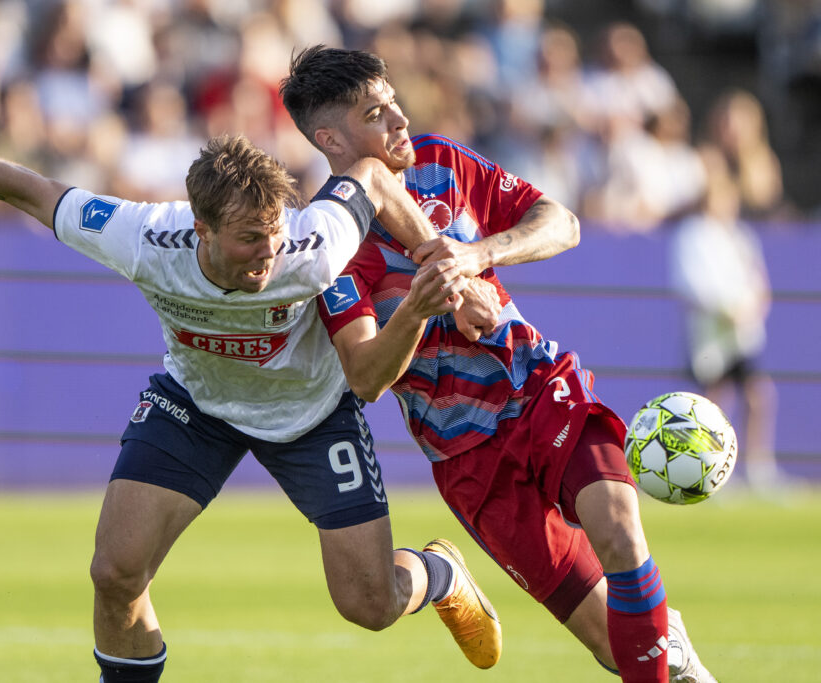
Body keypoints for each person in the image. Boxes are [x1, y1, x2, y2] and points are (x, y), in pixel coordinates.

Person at [0, 93, 502, 681]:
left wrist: (443, 265)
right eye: (247, 241)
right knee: (114, 573)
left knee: (371, 605)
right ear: (200, 227)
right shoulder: (147, 235)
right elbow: (29, 190)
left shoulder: (311, 241)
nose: (267, 254)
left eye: (271, 234)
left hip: (312, 413)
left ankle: (438, 573)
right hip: (197, 405)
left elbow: (372, 177)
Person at [280, 45, 717, 682]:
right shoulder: (330, 247)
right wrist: (424, 306)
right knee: (611, 643)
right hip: (469, 458)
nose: (400, 120)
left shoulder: (439, 162)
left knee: (621, 534)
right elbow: (367, 377)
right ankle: (661, 648)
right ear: (332, 139)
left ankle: (656, 645)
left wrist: (479, 254)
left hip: (539, 387)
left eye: (394, 101)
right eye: (377, 114)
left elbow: (560, 222)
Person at [670, 144, 781, 492]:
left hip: (742, 335)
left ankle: (760, 469)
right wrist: (724, 308)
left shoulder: (740, 235)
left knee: (758, 396)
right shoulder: (692, 235)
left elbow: (757, 278)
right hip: (710, 336)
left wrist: (753, 306)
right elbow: (690, 283)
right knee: (713, 403)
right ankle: (711, 470)